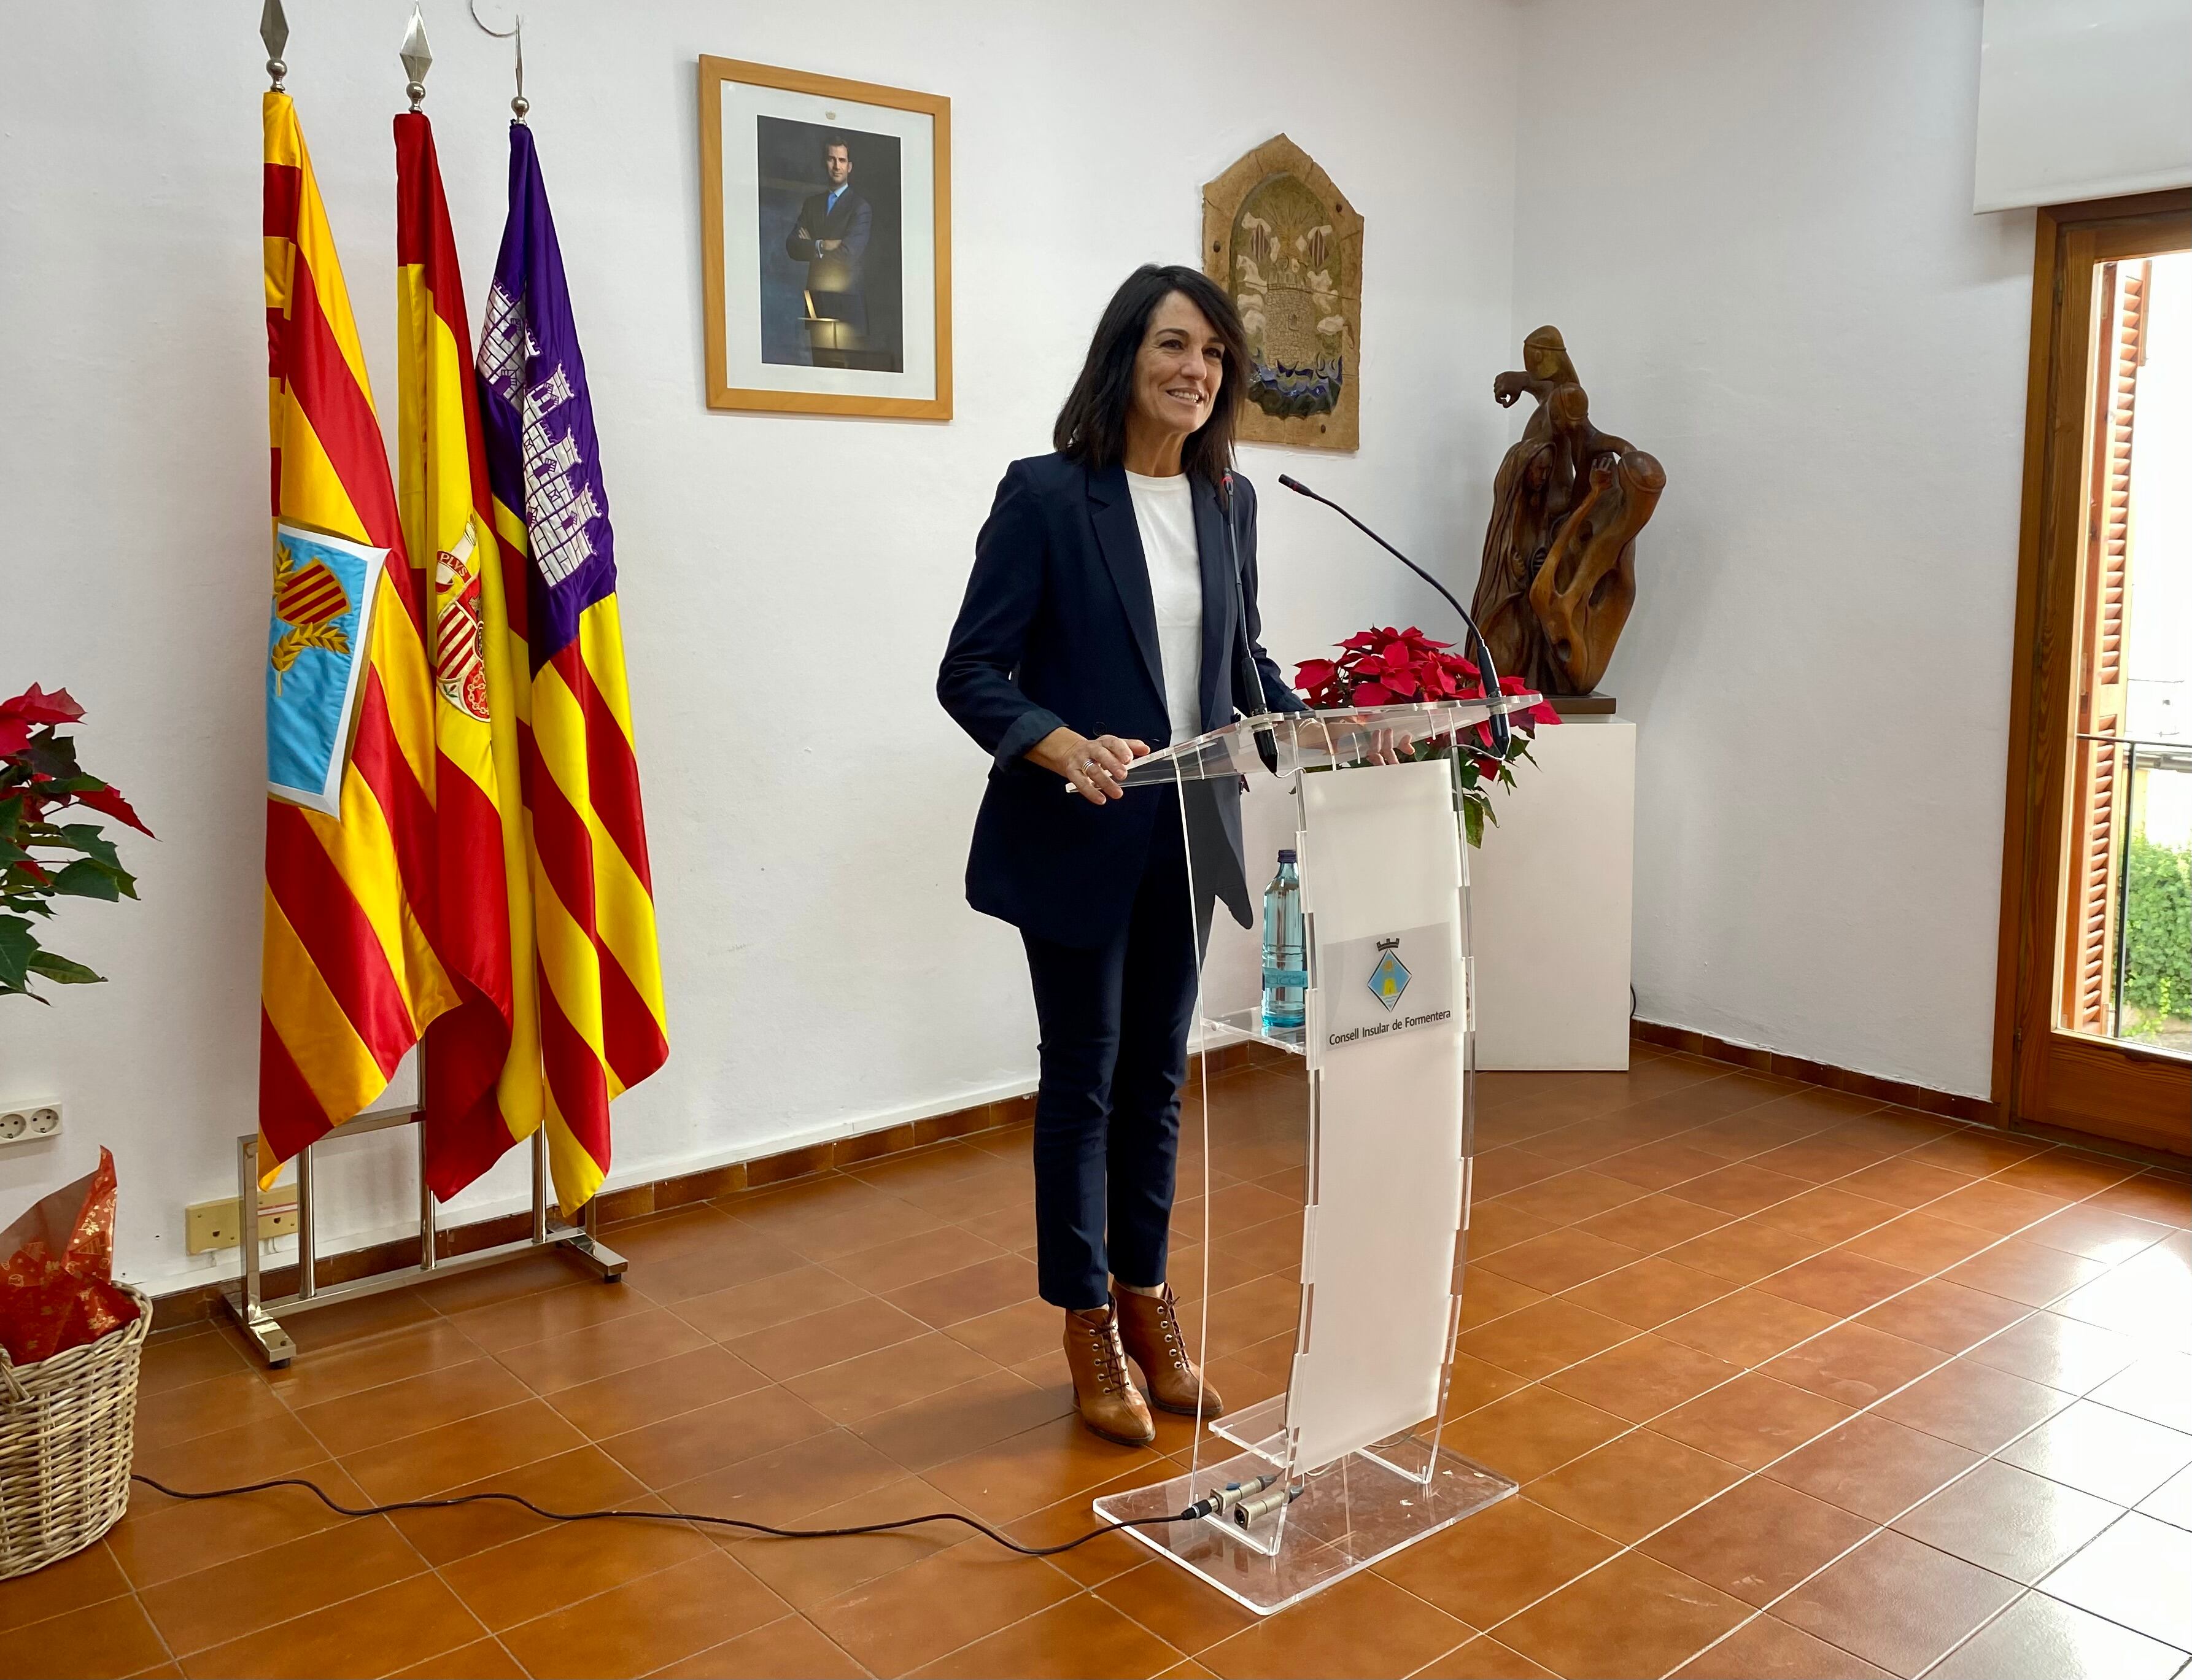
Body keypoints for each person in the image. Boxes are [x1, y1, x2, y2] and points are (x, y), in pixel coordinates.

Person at [937, 265, 1306, 1444]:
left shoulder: (1229, 504)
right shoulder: (1048, 497)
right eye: (1173, 345)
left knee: (1157, 1077)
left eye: (1212, 354)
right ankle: (1086, 1318)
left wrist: (1310, 716)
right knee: (1084, 1082)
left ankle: (1149, 1304)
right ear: (1125, 356)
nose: (1194, 370)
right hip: (1080, 831)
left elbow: (1236, 658)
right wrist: (1056, 745)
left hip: (1187, 829)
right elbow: (972, 670)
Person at [783, 133, 870, 339]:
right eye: (832, 159)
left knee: (849, 371)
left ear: (850, 166)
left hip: (847, 308)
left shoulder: (860, 208)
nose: (837, 166)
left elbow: (848, 255)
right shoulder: (812, 205)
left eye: (842, 160)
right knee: (818, 368)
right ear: (825, 163)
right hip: (817, 304)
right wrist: (823, 245)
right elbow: (792, 246)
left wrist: (812, 246)